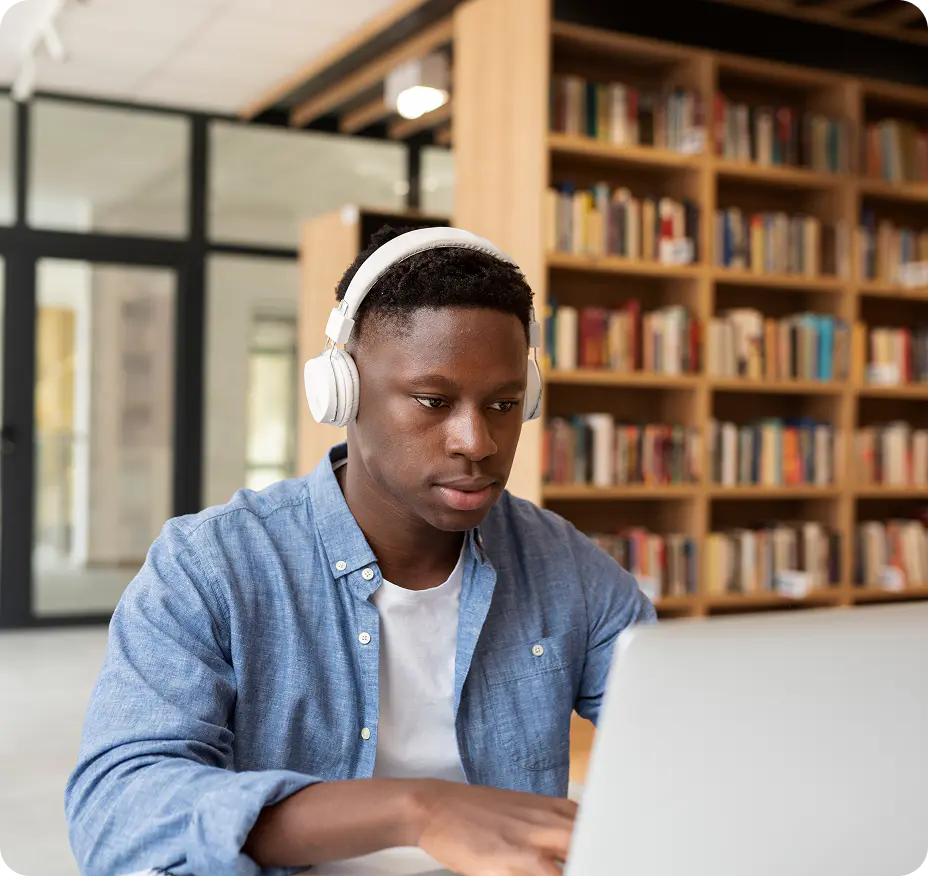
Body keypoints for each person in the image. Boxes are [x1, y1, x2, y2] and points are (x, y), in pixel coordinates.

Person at [65, 225, 656, 876]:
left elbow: (690, 734)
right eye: (433, 401)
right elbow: (118, 813)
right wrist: (416, 809)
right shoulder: (210, 565)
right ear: (341, 389)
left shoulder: (563, 564)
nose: (478, 441)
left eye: (505, 404)